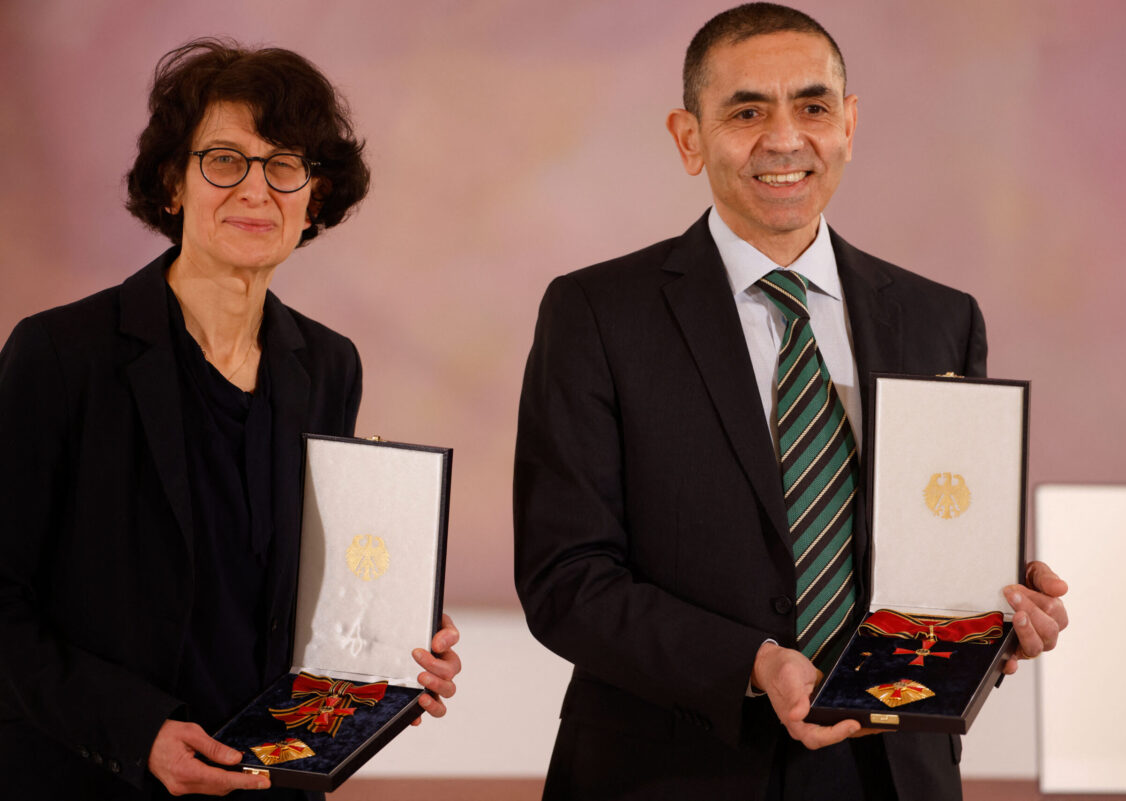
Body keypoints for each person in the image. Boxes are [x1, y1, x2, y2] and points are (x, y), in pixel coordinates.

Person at [513, 4, 1068, 800]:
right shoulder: (598, 314)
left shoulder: (940, 319)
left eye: (812, 107)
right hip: (673, 771)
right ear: (688, 137)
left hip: (891, 773)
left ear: (848, 124)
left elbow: (933, 548)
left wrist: (994, 618)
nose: (784, 138)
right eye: (746, 111)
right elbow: (566, 578)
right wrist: (754, 664)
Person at [0, 40, 461, 799]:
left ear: (314, 198)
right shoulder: (60, 355)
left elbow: (308, 595)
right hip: (89, 771)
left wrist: (386, 652)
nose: (256, 190)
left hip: (266, 779)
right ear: (171, 184)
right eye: (224, 160)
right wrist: (136, 729)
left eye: (285, 165)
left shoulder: (328, 364)